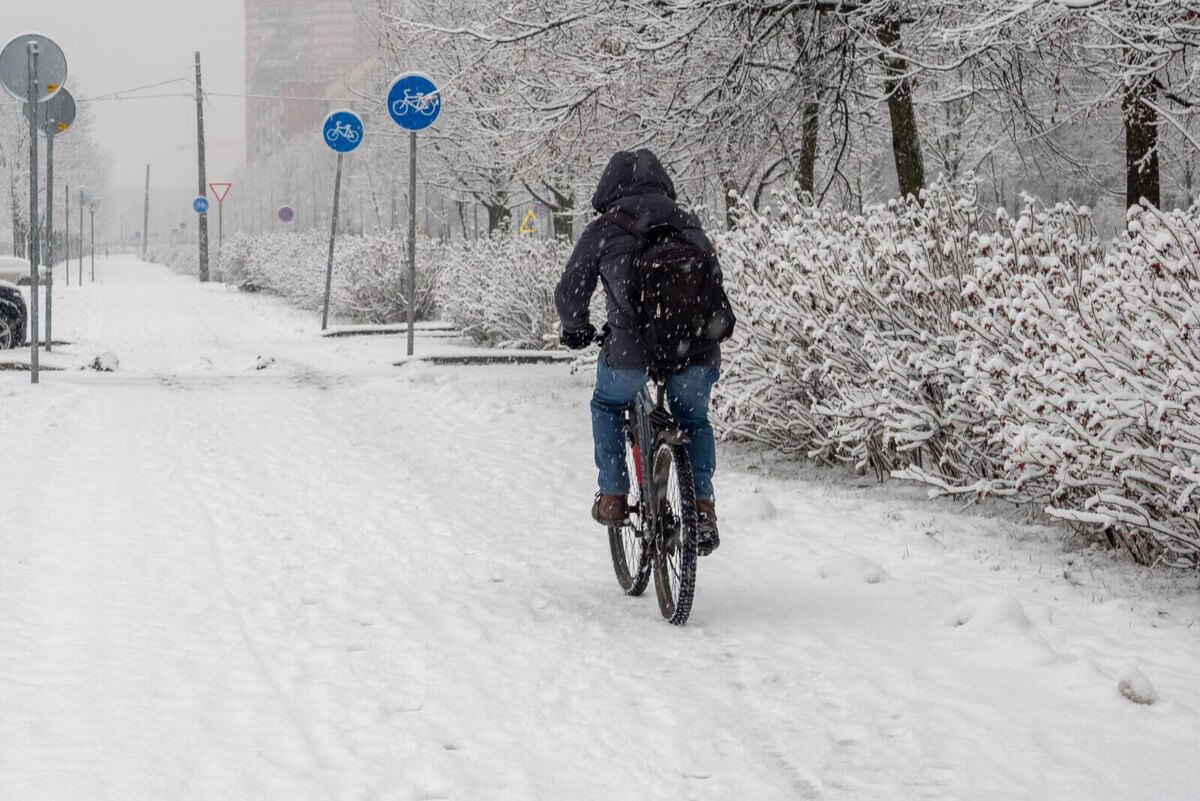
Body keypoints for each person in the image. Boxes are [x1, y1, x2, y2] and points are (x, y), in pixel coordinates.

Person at [555, 149, 724, 554]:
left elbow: (572, 289)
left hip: (632, 351)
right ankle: (702, 507)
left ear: (608, 187)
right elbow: (714, 283)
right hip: (695, 347)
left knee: (607, 405)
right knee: (694, 420)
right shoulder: (688, 224)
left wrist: (576, 329)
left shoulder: (605, 228)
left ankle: (614, 495)